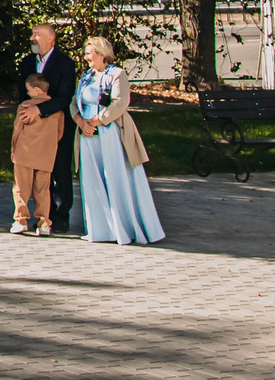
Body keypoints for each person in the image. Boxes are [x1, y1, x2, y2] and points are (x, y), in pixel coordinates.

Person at [73, 35, 164, 245]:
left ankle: (124, 226)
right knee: (92, 178)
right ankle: (100, 228)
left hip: (109, 132)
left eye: (89, 53)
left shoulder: (117, 74)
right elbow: (74, 102)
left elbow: (120, 103)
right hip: (87, 134)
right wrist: (81, 122)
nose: (86, 57)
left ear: (101, 53)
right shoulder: (86, 77)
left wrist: (97, 121)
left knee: (114, 176)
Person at [19, 23, 78, 229]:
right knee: (39, 172)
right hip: (33, 126)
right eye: (32, 34)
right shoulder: (26, 63)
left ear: (51, 39)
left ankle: (61, 216)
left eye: (37, 34)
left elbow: (65, 95)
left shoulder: (65, 63)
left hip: (56, 124)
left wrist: (40, 110)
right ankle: (44, 215)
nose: (32, 38)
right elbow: (21, 94)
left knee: (59, 169)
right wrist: (27, 114)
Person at [9, 75, 64, 236]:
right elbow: (59, 133)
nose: (27, 93)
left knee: (21, 187)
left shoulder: (25, 106)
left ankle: (21, 219)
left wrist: (14, 148)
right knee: (43, 189)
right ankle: (44, 222)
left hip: (25, 153)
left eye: (28, 90)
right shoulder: (56, 111)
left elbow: (17, 129)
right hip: (46, 154)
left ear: (36, 90)